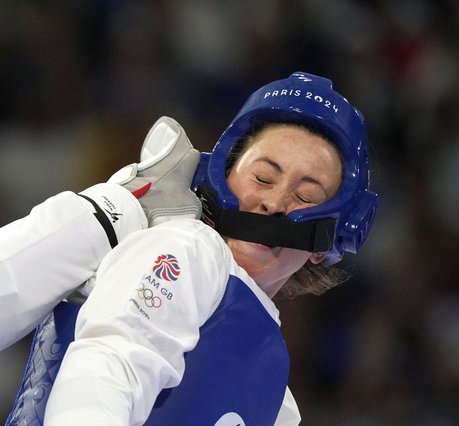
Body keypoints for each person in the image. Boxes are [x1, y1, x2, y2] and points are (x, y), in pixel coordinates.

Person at [4, 72, 378, 425]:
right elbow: (110, 365)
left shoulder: (278, 402)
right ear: (222, 177)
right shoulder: (192, 248)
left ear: (328, 240)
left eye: (306, 196)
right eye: (263, 177)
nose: (276, 204)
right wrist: (109, 213)